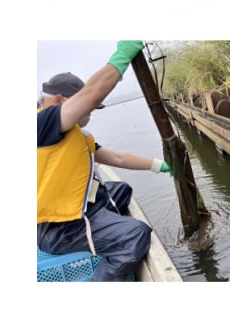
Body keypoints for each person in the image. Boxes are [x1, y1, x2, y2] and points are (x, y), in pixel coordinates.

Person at [37, 41, 172, 281]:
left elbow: (116, 157)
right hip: (61, 228)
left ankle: (107, 229)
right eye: (84, 108)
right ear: (59, 101)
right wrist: (122, 57)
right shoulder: (41, 123)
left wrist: (157, 165)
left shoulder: (73, 134)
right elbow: (92, 93)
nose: (88, 114)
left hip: (76, 213)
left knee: (121, 190)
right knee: (136, 234)